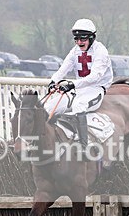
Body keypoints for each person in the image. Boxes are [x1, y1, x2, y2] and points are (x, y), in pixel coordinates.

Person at [44, 18, 113, 147]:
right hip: (79, 90)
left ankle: (83, 145)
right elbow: (64, 68)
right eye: (76, 39)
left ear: (92, 37)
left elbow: (95, 77)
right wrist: (53, 81)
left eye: (82, 39)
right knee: (49, 107)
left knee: (79, 106)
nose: (79, 42)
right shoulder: (75, 51)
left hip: (96, 89)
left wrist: (72, 85)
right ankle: (48, 142)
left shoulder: (101, 51)